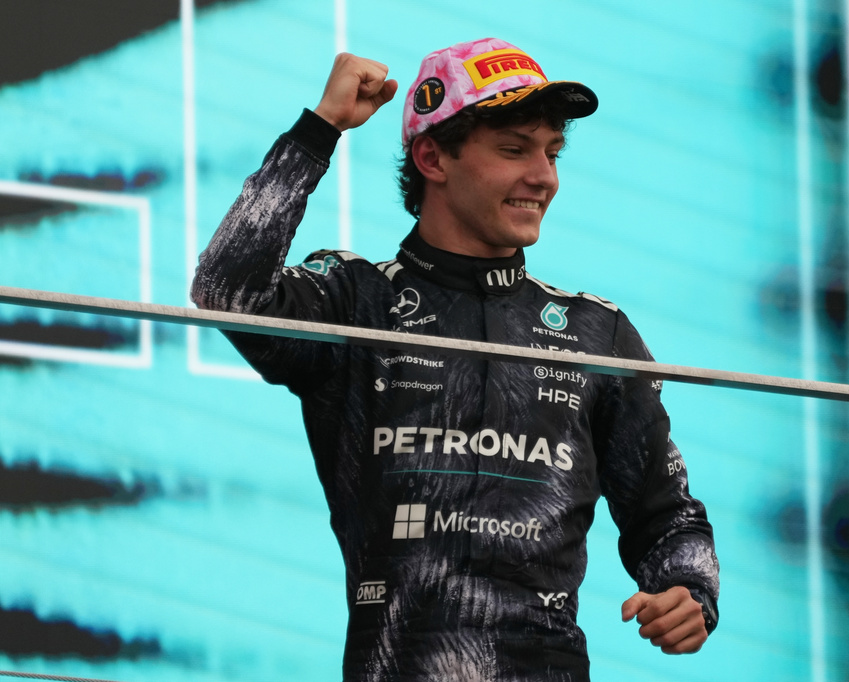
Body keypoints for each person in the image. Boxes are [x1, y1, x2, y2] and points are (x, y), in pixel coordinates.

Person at [191, 37, 719, 681]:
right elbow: (226, 291)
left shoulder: (597, 332)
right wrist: (318, 130)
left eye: (552, 152)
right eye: (514, 149)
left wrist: (689, 591)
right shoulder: (355, 299)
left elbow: (668, 517)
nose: (544, 176)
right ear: (432, 156)